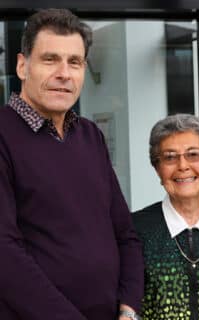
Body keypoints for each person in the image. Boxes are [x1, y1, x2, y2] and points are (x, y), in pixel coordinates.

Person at [0, 8, 143, 320]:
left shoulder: (90, 135)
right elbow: (5, 255)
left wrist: (130, 309)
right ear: (23, 66)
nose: (64, 73)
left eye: (74, 62)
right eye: (50, 59)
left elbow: (125, 234)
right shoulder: (3, 135)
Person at [133, 114, 199, 320]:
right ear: (157, 169)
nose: (183, 166)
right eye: (170, 157)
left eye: (193, 155)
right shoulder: (134, 230)